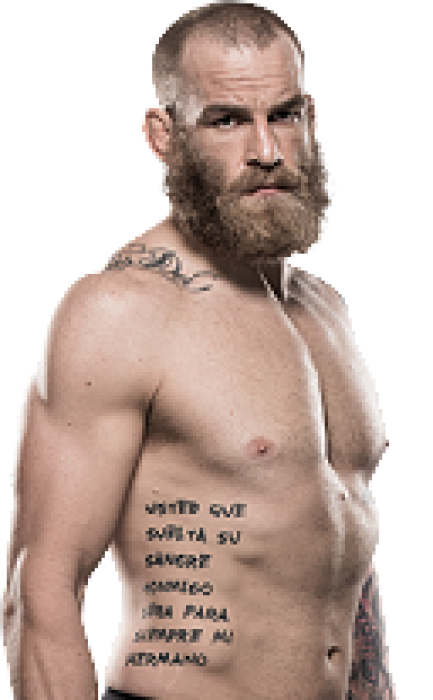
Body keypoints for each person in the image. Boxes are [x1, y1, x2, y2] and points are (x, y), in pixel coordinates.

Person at [3, 3, 397, 699]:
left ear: (310, 117)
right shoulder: (120, 311)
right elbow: (42, 593)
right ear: (163, 135)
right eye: (226, 121)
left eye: (284, 115)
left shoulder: (325, 309)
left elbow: (340, 555)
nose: (266, 150)